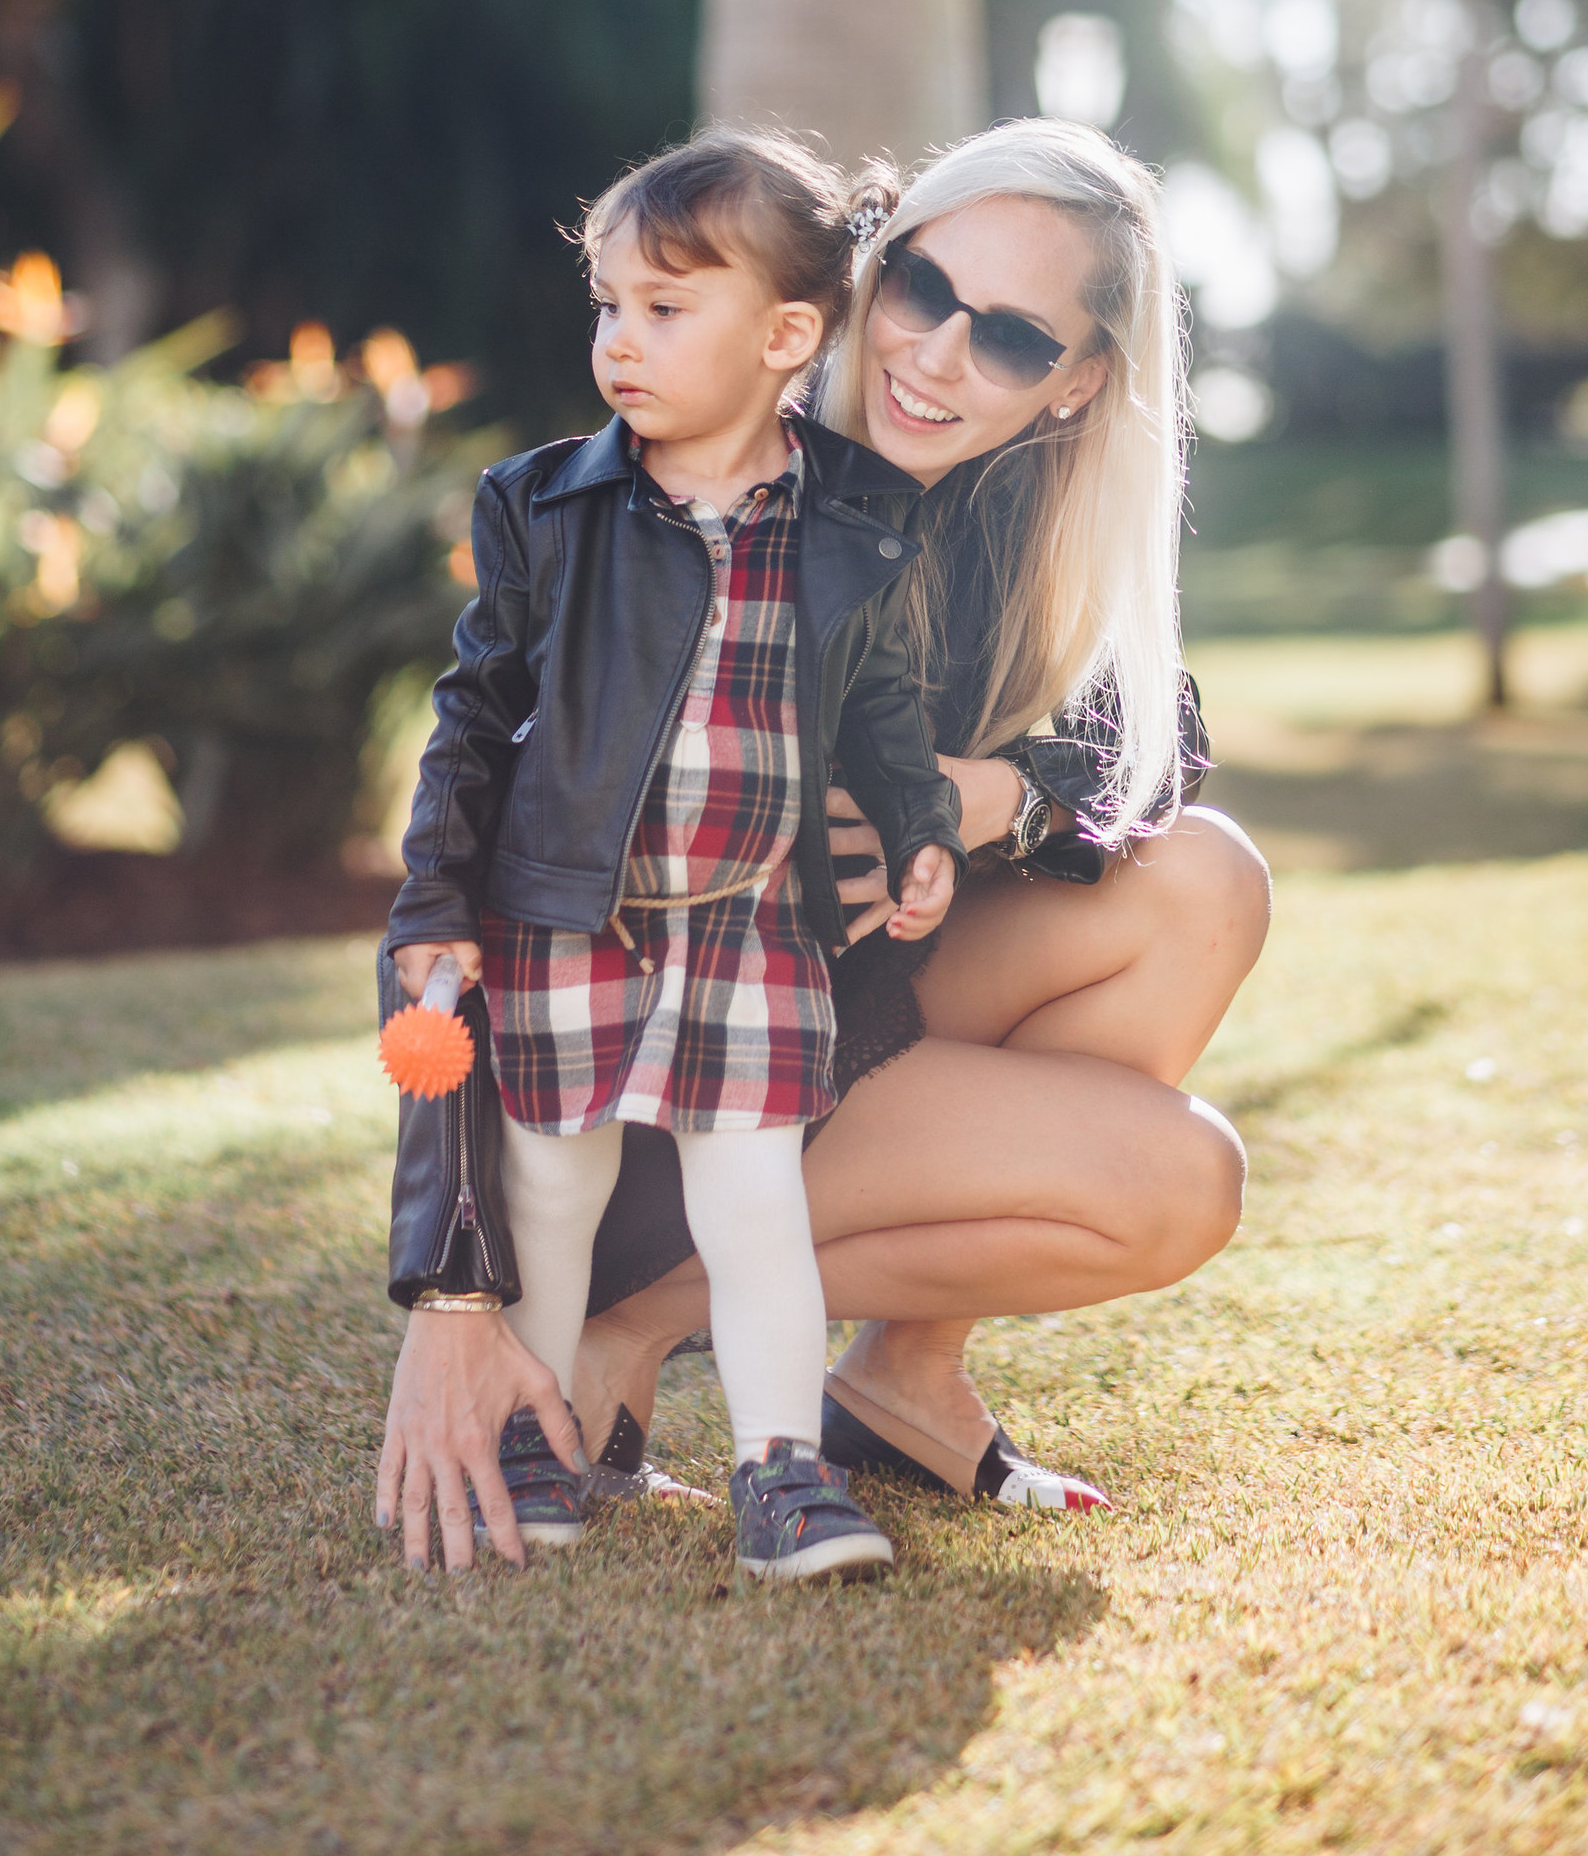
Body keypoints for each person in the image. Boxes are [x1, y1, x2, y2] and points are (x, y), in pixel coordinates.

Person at [377, 118, 1269, 1572]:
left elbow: (1152, 738)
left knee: (1209, 883)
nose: (933, 355)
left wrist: (986, 799)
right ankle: (612, 1329)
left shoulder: (999, 514)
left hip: (812, 1045)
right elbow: (465, 854)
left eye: (1010, 338)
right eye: (920, 289)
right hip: (629, 1096)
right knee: (1175, 1181)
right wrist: (453, 1295)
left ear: (1076, 385)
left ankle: (896, 1379)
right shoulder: (682, 474)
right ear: (860, 273)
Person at [384, 129, 965, 1581]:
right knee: (550, 1189)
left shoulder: (855, 511)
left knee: (756, 1202)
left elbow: (887, 707)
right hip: (569, 920)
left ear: (785, 336)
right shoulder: (545, 506)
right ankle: (538, 1439)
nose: (618, 342)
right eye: (607, 306)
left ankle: (780, 1470)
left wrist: (920, 827)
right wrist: (434, 895)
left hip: (754, 925)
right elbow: (476, 715)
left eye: (662, 307)